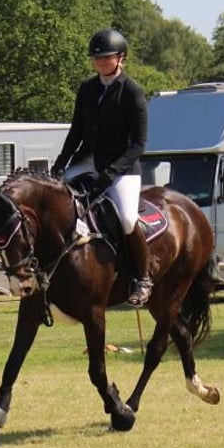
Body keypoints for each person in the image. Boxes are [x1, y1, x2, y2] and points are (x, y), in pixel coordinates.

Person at [50, 28, 151, 307]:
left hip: (123, 169)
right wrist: (60, 165)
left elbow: (138, 144)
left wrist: (112, 172)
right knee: (57, 199)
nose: (101, 63)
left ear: (121, 58)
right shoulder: (87, 89)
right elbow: (76, 132)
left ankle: (142, 278)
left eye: (106, 59)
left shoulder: (132, 92)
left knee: (129, 219)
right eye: (97, 59)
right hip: (89, 162)